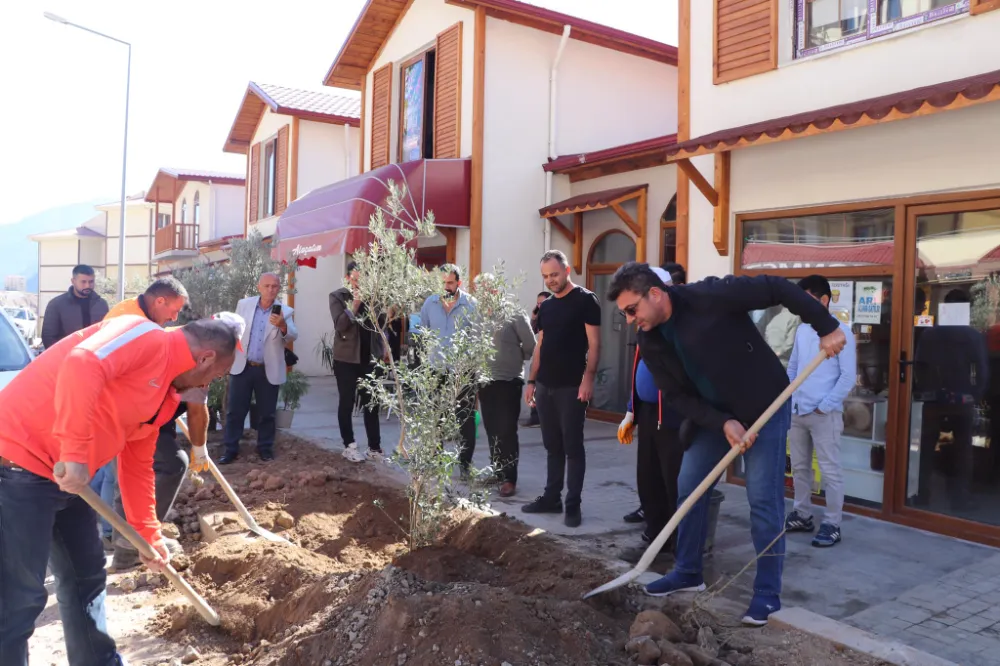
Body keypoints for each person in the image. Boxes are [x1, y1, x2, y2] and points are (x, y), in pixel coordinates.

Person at [607, 263, 845, 626]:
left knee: (762, 499)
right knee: (689, 486)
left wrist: (826, 326)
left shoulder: (710, 296)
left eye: (631, 310)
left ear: (654, 294)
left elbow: (776, 287)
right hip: (716, 417)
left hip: (765, 403)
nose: (629, 319)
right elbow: (675, 395)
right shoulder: (650, 339)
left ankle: (767, 593)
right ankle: (688, 571)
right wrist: (723, 423)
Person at [0, 315, 238, 666]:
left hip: (65, 479)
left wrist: (147, 534)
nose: (210, 387)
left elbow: (137, 461)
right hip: (21, 465)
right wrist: (76, 452)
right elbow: (82, 363)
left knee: (86, 577)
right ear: (204, 358)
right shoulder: (145, 336)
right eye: (215, 376)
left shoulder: (165, 397)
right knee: (21, 597)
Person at [102, 277, 216, 569]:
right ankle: (128, 544)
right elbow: (195, 410)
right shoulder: (127, 320)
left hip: (146, 410)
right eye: (173, 310)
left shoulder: (156, 325)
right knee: (147, 470)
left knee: (128, 475)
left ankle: (127, 542)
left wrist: (200, 447)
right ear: (160, 301)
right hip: (124, 411)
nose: (175, 318)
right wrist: (198, 448)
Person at [523, 250, 601, 528]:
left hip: (572, 387)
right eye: (545, 276)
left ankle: (573, 505)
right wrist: (532, 381)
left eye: (554, 275)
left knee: (572, 446)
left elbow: (594, 344)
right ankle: (551, 497)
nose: (550, 281)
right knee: (551, 445)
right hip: (545, 385)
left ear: (567, 271)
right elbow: (540, 345)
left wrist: (588, 378)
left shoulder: (586, 300)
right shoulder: (547, 307)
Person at [617, 266, 685, 564]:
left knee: (673, 482)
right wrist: (631, 410)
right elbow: (637, 371)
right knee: (648, 478)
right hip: (648, 413)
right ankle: (655, 536)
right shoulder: (646, 330)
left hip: (673, 416)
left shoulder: (677, 330)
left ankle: (678, 545)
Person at [784, 275, 857, 548]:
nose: (801, 306)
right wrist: (789, 397)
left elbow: (848, 377)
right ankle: (802, 514)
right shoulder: (803, 331)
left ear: (824, 300)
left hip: (824, 414)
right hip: (798, 410)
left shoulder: (841, 332)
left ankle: (832, 523)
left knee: (830, 471)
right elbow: (793, 367)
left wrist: (824, 406)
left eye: (807, 299)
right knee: (800, 468)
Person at [221, 273, 298, 464]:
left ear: (278, 288)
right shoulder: (244, 305)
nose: (270, 290)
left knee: (267, 413)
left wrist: (282, 326)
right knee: (235, 411)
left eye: (274, 286)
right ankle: (230, 450)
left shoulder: (285, 311)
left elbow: (293, 335)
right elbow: (234, 330)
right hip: (243, 366)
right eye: (267, 286)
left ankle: (265, 449)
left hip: (267, 369)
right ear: (259, 287)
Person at [475, 273, 536, 497]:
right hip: (485, 381)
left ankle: (510, 479)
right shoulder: (478, 315)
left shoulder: (514, 312)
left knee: (507, 430)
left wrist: (513, 358)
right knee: (492, 430)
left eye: (489, 288)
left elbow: (531, 346)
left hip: (509, 381)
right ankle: (498, 471)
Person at [418, 265, 479, 474]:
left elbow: (479, 338)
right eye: (443, 282)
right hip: (436, 369)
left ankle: (464, 465)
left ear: (459, 283)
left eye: (450, 283)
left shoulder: (471, 305)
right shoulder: (429, 303)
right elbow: (423, 332)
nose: (446, 286)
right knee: (436, 417)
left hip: (462, 371)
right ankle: (436, 463)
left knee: (465, 419)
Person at [329, 261, 386, 463]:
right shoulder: (337, 296)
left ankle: (375, 448)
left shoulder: (373, 297)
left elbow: (382, 325)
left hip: (369, 359)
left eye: (363, 280)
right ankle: (349, 445)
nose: (359, 284)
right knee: (347, 402)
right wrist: (354, 304)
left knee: (372, 403)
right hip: (345, 359)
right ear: (347, 279)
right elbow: (340, 325)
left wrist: (382, 349)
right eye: (355, 279)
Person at [40, 264, 109, 349]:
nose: (87, 286)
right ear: (73, 281)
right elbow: (48, 337)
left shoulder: (102, 305)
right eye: (83, 282)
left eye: (91, 282)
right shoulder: (56, 305)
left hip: (94, 357)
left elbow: (107, 334)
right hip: (66, 358)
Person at [522, 291, 551, 428]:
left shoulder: (552, 316)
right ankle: (535, 417)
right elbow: (531, 333)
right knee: (535, 385)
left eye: (542, 303)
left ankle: (540, 418)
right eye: (538, 303)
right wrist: (533, 318)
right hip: (539, 357)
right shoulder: (539, 317)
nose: (539, 306)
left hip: (550, 358)